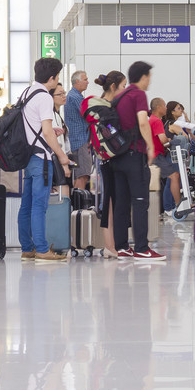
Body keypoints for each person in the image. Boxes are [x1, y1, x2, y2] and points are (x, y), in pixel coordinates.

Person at [9, 59, 72, 263]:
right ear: (52, 78)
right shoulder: (44, 97)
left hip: (28, 157)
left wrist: (49, 131)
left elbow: (34, 126)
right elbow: (46, 132)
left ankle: (27, 248)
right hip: (41, 158)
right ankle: (43, 250)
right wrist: (62, 156)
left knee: (26, 205)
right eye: (58, 77)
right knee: (39, 205)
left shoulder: (28, 92)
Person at [110, 61, 164, 261]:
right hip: (135, 154)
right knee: (140, 201)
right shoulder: (138, 94)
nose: (150, 81)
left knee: (122, 203)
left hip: (118, 156)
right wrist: (150, 146)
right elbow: (142, 121)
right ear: (143, 76)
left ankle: (122, 247)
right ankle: (142, 248)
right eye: (149, 76)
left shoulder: (120, 96)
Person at [91, 71, 127, 254]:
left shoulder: (97, 105)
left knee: (111, 201)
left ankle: (111, 246)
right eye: (123, 86)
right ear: (113, 87)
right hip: (110, 158)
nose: (124, 90)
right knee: (110, 202)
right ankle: (109, 246)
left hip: (105, 158)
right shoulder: (104, 107)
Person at [148, 97, 183, 218]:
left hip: (154, 154)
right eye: (164, 106)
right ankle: (176, 206)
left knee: (169, 178)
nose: (166, 108)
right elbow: (163, 139)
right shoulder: (157, 121)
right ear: (158, 107)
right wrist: (171, 140)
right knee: (174, 176)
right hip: (156, 155)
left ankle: (171, 206)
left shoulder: (152, 119)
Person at [65, 71, 93, 195]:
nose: (88, 81)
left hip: (77, 140)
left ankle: (77, 205)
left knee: (80, 174)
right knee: (83, 174)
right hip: (81, 140)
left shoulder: (74, 96)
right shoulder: (75, 97)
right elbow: (89, 115)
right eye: (85, 79)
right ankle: (79, 206)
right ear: (77, 82)